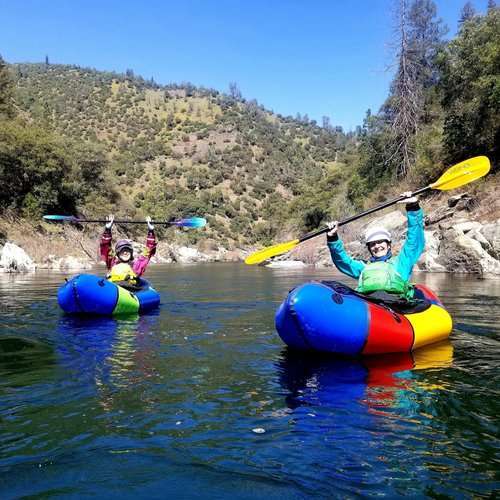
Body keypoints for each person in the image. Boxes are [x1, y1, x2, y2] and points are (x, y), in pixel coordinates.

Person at [326, 192, 425, 301]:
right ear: (369, 249)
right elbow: (343, 262)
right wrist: (333, 238)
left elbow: (414, 241)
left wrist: (413, 207)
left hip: (396, 305)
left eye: (380, 242)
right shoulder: (363, 267)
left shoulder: (401, 262)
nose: (377, 246)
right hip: (369, 306)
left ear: (388, 245)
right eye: (372, 244)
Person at [100, 215, 157, 285]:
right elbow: (105, 247)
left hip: (131, 290)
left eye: (127, 250)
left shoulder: (137, 265)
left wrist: (151, 231)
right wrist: (107, 230)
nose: (125, 252)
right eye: (122, 250)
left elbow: (149, 250)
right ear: (118, 254)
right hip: (114, 289)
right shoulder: (113, 263)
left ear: (131, 253)